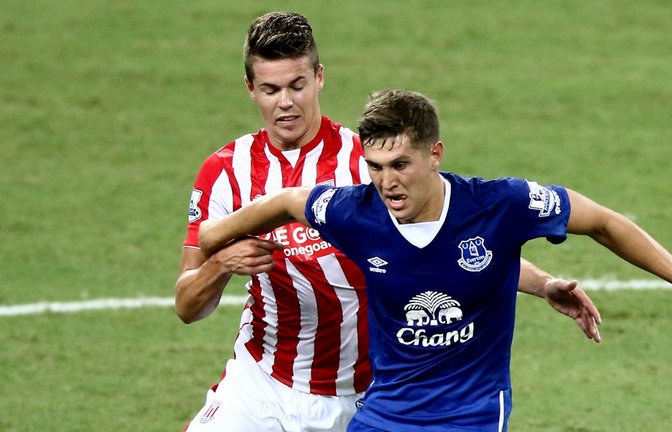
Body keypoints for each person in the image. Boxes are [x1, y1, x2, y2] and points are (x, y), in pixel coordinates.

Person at [198, 88, 672, 432]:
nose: (387, 183)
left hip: (468, 417)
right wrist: (215, 237)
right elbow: (290, 201)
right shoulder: (354, 210)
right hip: (382, 416)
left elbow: (605, 221)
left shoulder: (501, 205)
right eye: (374, 166)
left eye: (400, 164)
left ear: (434, 154)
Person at [176, 13, 603, 432]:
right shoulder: (224, 172)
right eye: (270, 89)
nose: (285, 102)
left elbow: (456, 248)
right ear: (251, 89)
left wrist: (543, 283)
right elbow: (187, 305)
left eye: (297, 85)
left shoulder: (369, 165)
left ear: (319, 77)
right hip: (260, 383)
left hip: (362, 395)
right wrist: (219, 266)